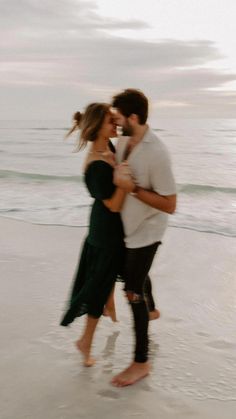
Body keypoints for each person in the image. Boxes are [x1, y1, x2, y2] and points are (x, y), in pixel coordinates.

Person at [111, 89, 177, 386]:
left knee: (131, 290)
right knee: (131, 274)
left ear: (133, 117)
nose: (115, 121)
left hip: (148, 229)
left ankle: (141, 362)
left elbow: (171, 204)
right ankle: (151, 310)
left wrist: (133, 189)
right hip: (129, 226)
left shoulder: (157, 152)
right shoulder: (124, 140)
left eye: (119, 117)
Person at [60, 103, 135, 366]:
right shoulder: (95, 165)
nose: (114, 125)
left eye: (114, 121)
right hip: (105, 231)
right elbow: (114, 205)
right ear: (97, 128)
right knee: (99, 282)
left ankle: (108, 301)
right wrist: (125, 185)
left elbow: (122, 132)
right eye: (109, 122)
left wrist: (114, 116)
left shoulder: (107, 147)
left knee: (105, 275)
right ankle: (85, 343)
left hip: (109, 227)